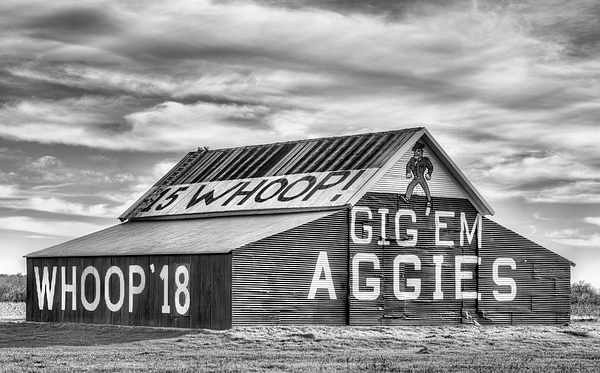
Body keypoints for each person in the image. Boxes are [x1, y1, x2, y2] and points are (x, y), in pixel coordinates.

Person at [400, 142, 433, 209]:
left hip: (421, 177)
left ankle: (429, 201)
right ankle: (407, 198)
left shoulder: (425, 160)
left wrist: (429, 174)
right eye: (415, 151)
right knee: (410, 186)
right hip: (415, 177)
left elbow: (430, 167)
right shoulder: (412, 160)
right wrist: (408, 172)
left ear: (421, 152)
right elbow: (408, 165)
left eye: (418, 151)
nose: (416, 152)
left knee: (425, 187)